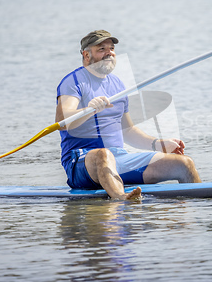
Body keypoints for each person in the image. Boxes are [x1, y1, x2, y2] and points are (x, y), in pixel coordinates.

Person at [55, 30, 201, 200]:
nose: (109, 53)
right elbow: (63, 122)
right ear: (87, 55)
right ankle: (121, 199)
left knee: (184, 163)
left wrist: (158, 143)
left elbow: (128, 130)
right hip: (81, 162)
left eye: (111, 48)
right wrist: (89, 109)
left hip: (119, 159)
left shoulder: (117, 84)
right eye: (101, 49)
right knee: (104, 154)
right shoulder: (73, 82)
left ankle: (202, 206)